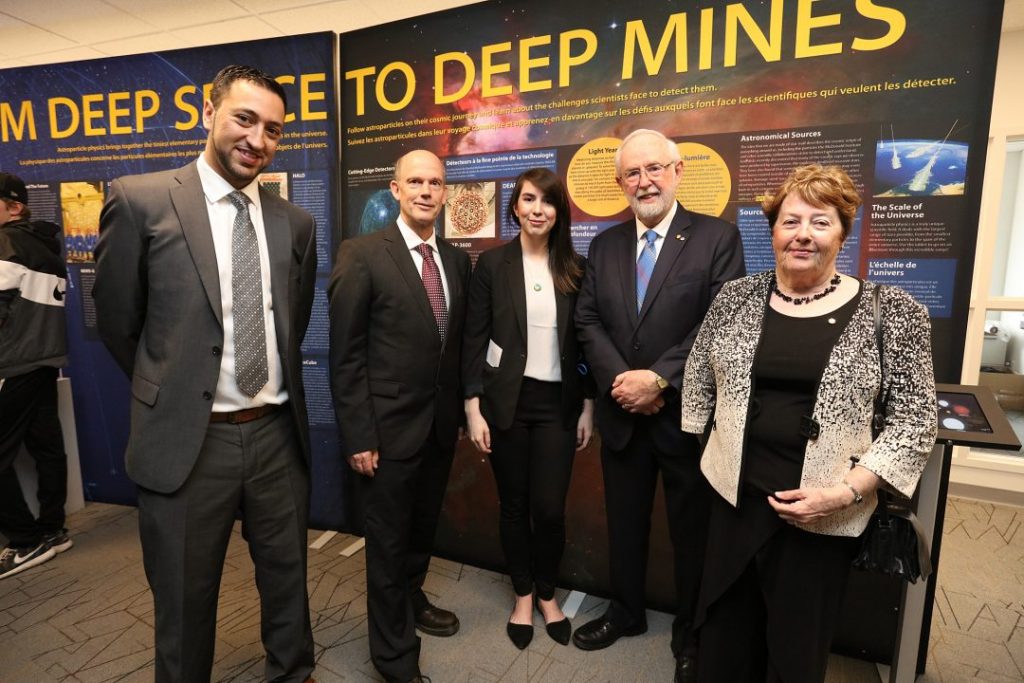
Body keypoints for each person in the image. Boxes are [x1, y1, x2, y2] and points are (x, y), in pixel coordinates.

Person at [93, 65, 317, 682]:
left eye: (273, 130)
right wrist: (173, 385)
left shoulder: (294, 224)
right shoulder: (140, 199)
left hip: (276, 435)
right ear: (209, 113)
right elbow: (118, 322)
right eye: (245, 119)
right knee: (185, 603)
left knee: (288, 587)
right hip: (188, 442)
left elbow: (287, 328)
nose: (257, 139)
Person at [681, 164, 937, 683]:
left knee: (795, 654)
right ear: (772, 230)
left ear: (843, 232)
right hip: (735, 505)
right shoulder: (735, 299)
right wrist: (705, 449)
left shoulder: (894, 311)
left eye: (820, 223)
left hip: (820, 518)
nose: (802, 234)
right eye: (790, 221)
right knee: (724, 643)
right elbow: (698, 374)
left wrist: (846, 492)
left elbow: (915, 420)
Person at [573, 128, 745, 682]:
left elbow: (722, 322)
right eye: (631, 173)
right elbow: (589, 320)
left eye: (653, 169)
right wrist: (624, 381)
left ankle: (690, 632)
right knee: (623, 523)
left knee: (692, 533)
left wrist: (660, 380)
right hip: (622, 413)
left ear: (677, 172)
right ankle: (625, 611)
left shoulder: (717, 238)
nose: (643, 181)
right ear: (620, 182)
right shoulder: (604, 245)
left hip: (686, 418)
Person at [329, 149, 470, 683]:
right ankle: (393, 658)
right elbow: (346, 356)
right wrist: (359, 434)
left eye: (435, 182)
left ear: (445, 192)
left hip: (436, 428)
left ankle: (414, 600)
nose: (426, 191)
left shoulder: (455, 260)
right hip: (383, 436)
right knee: (386, 549)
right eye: (415, 181)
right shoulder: (362, 254)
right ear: (394, 190)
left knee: (421, 531)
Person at [462, 168, 595, 650]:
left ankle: (547, 594)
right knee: (515, 505)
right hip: (506, 404)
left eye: (548, 201)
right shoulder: (492, 265)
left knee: (550, 510)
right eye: (528, 199)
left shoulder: (575, 268)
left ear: (559, 211)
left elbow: (584, 344)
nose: (538, 209)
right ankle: (521, 594)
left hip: (557, 406)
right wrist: (472, 408)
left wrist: (587, 407)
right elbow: (473, 340)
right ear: (514, 207)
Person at [0, 172, 73, 580]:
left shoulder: (6, 243)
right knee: (47, 447)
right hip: (44, 362)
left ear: (14, 207)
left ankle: (25, 541)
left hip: (12, 363)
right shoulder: (45, 246)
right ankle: (52, 529)